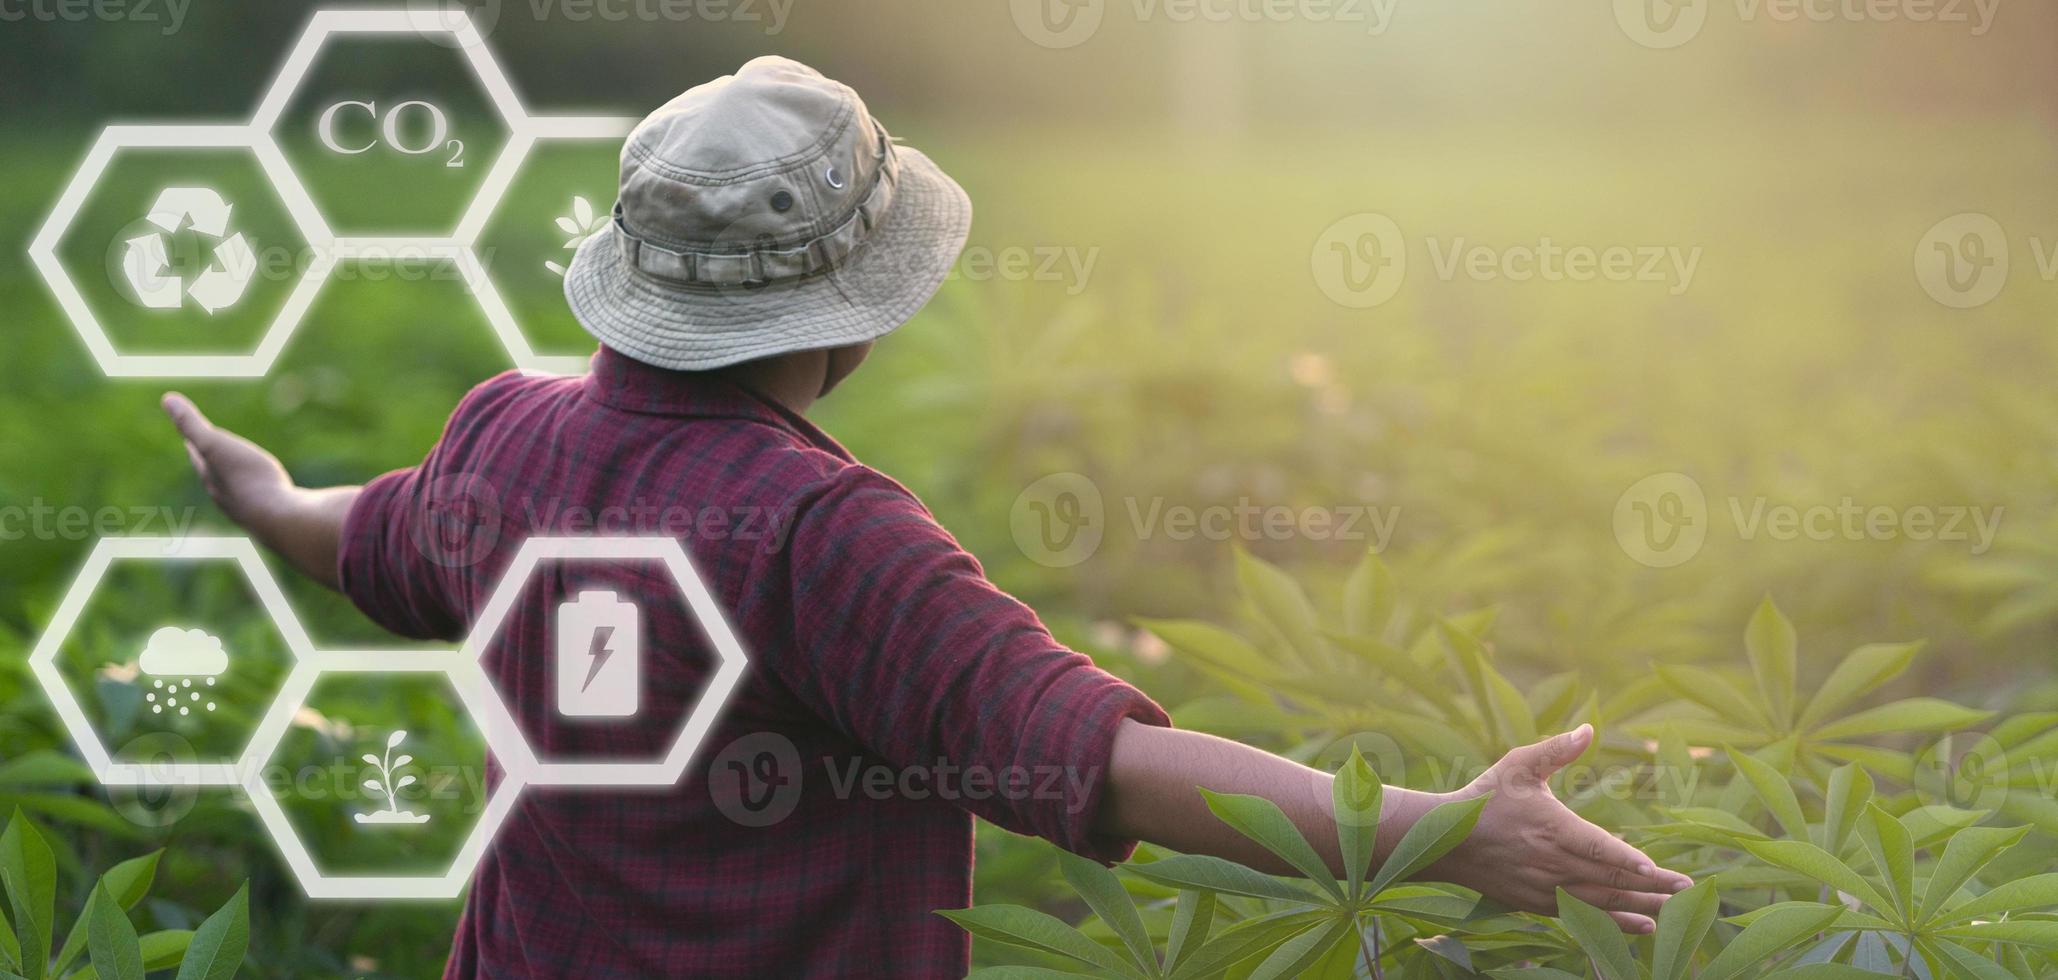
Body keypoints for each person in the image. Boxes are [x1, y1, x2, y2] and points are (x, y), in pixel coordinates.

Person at [161, 56, 1688, 978]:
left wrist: (261, 490)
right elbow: (1104, 764)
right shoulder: (821, 536)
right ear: (854, 318)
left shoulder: (501, 436)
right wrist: (1436, 836)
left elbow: (361, 535)